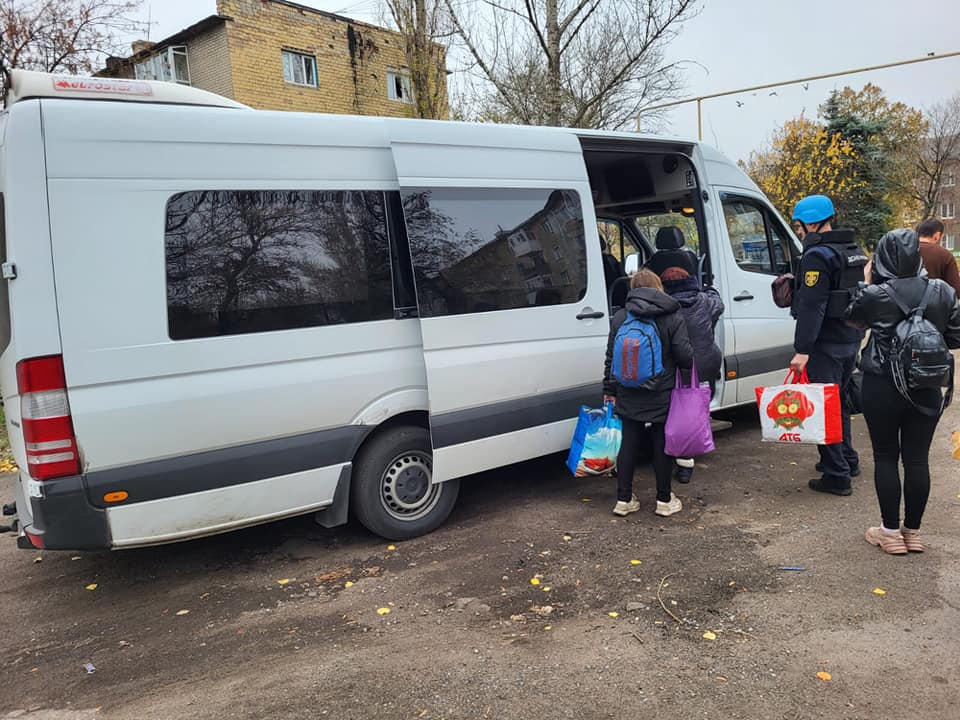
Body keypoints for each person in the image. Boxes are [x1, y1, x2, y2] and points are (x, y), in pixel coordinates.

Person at [845, 229, 960, 554]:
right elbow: (956, 336)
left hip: (882, 383)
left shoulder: (876, 293)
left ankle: (890, 532)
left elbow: (852, 320)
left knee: (885, 455)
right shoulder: (941, 291)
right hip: (926, 385)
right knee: (917, 458)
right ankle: (913, 532)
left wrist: (866, 283)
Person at [789, 194, 868, 495]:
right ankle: (847, 459)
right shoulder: (852, 251)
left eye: (799, 226)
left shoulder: (817, 257)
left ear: (812, 223)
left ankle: (837, 475)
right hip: (850, 339)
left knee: (824, 409)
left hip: (827, 345)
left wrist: (802, 350)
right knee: (840, 403)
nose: (798, 231)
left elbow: (813, 306)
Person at [603, 269, 693, 517]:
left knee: (629, 442)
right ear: (658, 287)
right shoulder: (672, 315)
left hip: (627, 389)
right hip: (661, 390)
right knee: (660, 443)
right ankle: (664, 500)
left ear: (633, 287)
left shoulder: (621, 317)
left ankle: (624, 500)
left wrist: (609, 390)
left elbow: (611, 358)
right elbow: (684, 356)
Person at [660, 266, 725, 483]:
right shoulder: (705, 300)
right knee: (695, 412)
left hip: (677, 368)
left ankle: (677, 459)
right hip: (706, 364)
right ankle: (688, 459)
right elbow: (719, 304)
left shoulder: (663, 304)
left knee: (674, 414)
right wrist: (709, 289)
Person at [916, 218, 960, 295]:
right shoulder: (945, 255)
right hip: (937, 305)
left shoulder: (902, 251)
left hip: (903, 304)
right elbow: (955, 290)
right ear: (937, 235)